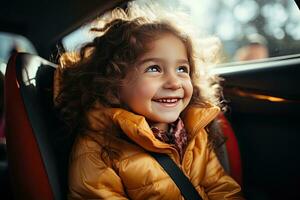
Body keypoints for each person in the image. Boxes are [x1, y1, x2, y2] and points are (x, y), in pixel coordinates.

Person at [54, 4, 244, 200]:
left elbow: (220, 187)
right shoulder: (97, 150)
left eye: (182, 69)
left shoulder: (194, 134)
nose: (174, 82)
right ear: (113, 88)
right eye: (154, 69)